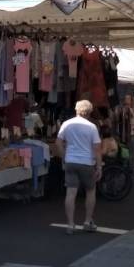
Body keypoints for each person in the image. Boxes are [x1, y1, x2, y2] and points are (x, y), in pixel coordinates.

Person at [57, 99, 102, 234]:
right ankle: (87, 221)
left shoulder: (67, 124)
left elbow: (58, 143)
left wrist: (64, 157)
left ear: (76, 110)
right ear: (90, 112)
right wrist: (99, 167)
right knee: (90, 191)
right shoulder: (92, 127)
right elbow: (97, 149)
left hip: (71, 161)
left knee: (71, 193)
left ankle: (70, 224)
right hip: (87, 162)